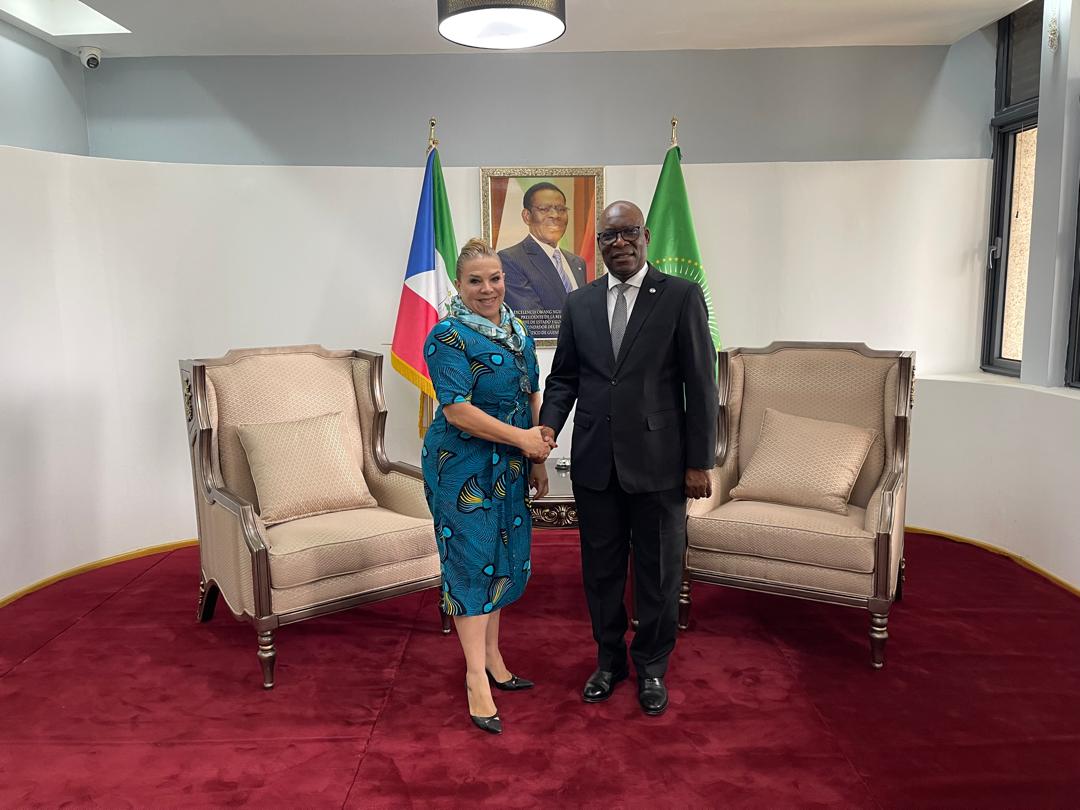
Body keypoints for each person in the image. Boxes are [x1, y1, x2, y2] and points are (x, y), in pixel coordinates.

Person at [538, 201, 718, 717]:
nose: (619, 243)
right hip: (596, 461)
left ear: (646, 236)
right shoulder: (580, 302)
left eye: (628, 232)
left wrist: (699, 461)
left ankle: (653, 666)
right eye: (608, 236)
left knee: (658, 572)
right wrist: (548, 428)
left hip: (661, 464)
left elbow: (701, 384)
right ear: (598, 244)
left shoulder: (680, 296)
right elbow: (565, 378)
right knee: (602, 572)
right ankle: (609, 661)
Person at [421, 238, 554, 735]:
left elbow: (532, 393)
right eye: (475, 280)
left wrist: (535, 457)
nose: (487, 288)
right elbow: (457, 410)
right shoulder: (447, 335)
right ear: (459, 285)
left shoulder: (518, 330)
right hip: (461, 465)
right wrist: (522, 439)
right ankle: (475, 676)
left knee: (503, 559)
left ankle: (494, 658)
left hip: (512, 466)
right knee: (472, 564)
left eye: (494, 278)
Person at [498, 182, 588, 312]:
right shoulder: (511, 259)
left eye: (561, 209)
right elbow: (531, 318)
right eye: (544, 209)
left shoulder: (577, 263)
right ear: (527, 216)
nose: (555, 215)